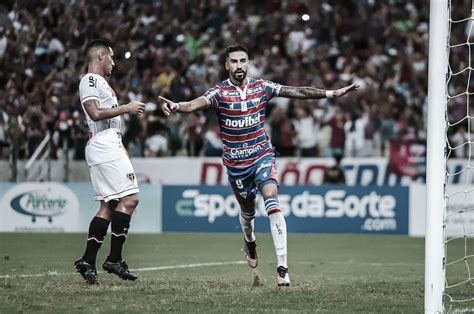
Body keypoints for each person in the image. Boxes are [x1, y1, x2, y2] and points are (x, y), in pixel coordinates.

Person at [160, 44, 359, 286]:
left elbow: (295, 91)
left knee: (272, 202)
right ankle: (250, 241)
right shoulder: (219, 93)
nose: (239, 65)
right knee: (248, 213)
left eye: (243, 60)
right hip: (236, 165)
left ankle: (283, 269)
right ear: (226, 65)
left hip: (262, 156)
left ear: (248, 62)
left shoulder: (261, 87)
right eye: (234, 61)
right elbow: (193, 105)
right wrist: (176, 106)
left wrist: (330, 94)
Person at [74, 39, 145, 284]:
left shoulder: (101, 83)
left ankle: (87, 260)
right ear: (101, 56)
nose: (114, 62)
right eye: (112, 57)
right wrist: (126, 107)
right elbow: (94, 113)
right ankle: (114, 259)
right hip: (104, 145)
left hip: (107, 144)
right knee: (131, 199)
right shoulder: (90, 80)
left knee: (109, 205)